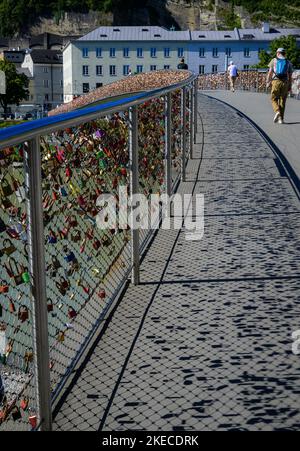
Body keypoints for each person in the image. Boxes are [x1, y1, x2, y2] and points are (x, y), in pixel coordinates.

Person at [266, 48, 293, 124]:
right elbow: (290, 75)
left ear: (278, 53)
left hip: (276, 81)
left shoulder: (274, 60)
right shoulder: (288, 62)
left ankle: (277, 111)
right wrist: (290, 85)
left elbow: (270, 72)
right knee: (282, 100)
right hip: (285, 82)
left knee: (273, 98)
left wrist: (268, 82)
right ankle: (281, 119)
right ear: (284, 53)